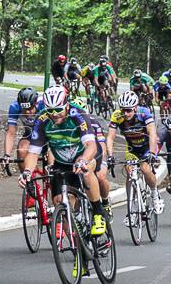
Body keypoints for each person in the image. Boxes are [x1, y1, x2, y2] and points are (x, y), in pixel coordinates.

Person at [19, 86, 106, 240]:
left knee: (86, 172)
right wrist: (27, 172)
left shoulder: (77, 114)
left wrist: (83, 160)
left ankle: (99, 213)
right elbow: (33, 153)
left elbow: (91, 146)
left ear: (66, 104)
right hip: (62, 160)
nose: (54, 114)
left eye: (58, 109)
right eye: (50, 110)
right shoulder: (42, 120)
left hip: (85, 154)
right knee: (59, 200)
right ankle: (77, 238)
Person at [106, 91, 163, 215]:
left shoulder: (144, 113)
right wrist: (110, 156)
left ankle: (154, 193)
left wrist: (152, 153)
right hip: (132, 148)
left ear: (135, 108)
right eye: (123, 110)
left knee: (145, 169)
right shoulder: (117, 116)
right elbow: (110, 137)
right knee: (129, 171)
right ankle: (131, 207)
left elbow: (152, 133)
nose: (125, 113)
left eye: (129, 110)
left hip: (147, 147)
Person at [71, 96, 112, 216]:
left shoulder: (93, 123)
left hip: (96, 154)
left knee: (100, 176)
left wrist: (102, 160)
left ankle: (105, 202)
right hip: (78, 156)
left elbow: (102, 144)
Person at [1, 87, 44, 173]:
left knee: (50, 163)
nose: (27, 112)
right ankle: (27, 183)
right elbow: (10, 133)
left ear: (35, 103)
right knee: (21, 150)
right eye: (24, 109)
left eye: (30, 108)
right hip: (30, 134)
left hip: (46, 134)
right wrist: (7, 155)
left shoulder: (43, 104)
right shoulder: (15, 107)